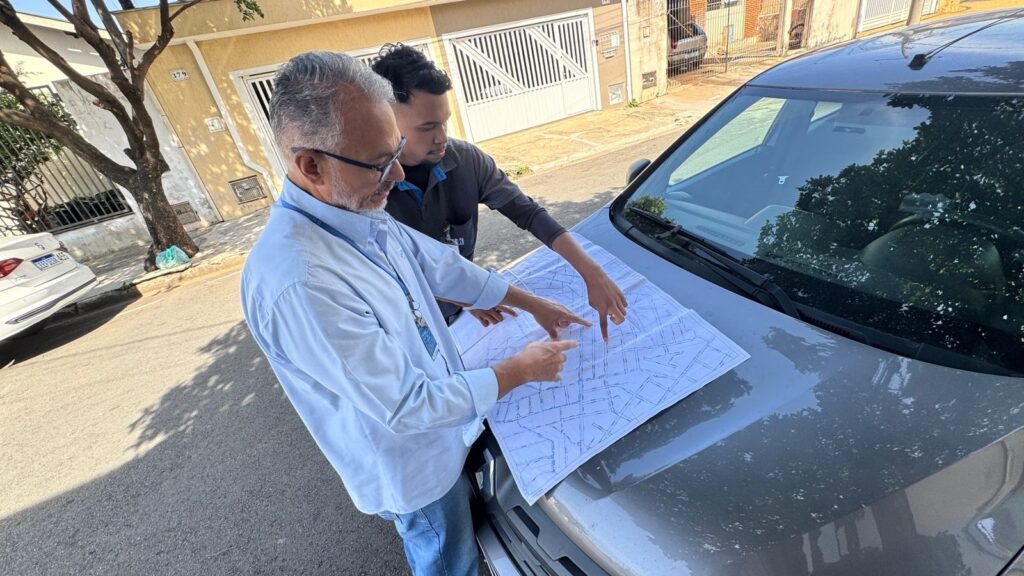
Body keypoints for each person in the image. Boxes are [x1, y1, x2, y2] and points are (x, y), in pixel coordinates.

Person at [240, 51, 593, 576]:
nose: (400, 173)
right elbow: (407, 406)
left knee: (473, 537)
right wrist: (519, 370)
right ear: (311, 165)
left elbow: (441, 268)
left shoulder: (356, 212)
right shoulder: (300, 281)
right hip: (414, 468)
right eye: (381, 162)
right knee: (448, 558)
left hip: (447, 433)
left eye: (397, 152)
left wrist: (530, 302)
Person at [371, 44, 628, 340]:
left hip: (467, 317)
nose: (442, 138)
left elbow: (528, 213)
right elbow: (398, 274)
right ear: (387, 120)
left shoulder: (466, 160)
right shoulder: (364, 189)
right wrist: (471, 295)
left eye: (444, 122)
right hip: (406, 331)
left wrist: (592, 273)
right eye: (428, 127)